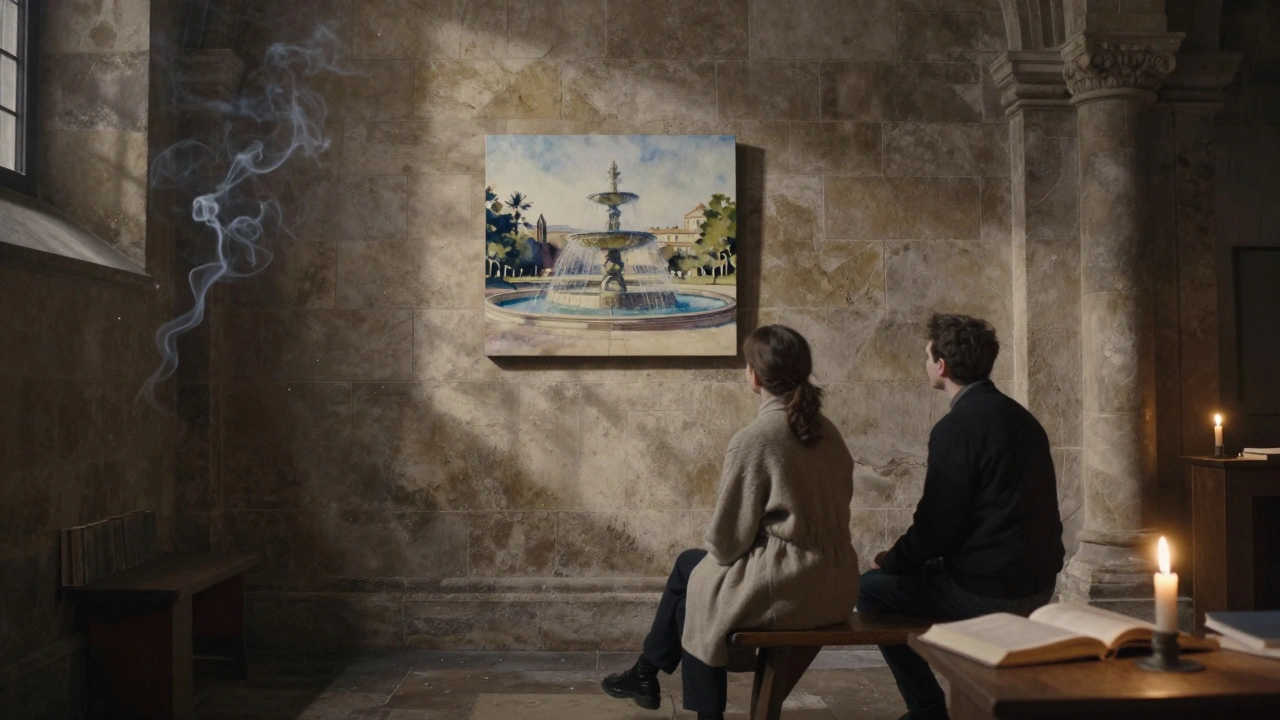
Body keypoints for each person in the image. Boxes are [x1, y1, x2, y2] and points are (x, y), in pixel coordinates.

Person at [600, 325, 861, 720]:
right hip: (836, 582)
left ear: (753, 375)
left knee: (698, 592)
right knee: (691, 573)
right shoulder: (829, 431)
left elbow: (726, 543)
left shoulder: (756, 438)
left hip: (791, 583)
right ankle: (644, 673)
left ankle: (669, 689)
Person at [857, 314, 1065, 720]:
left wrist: (892, 560)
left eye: (927, 357)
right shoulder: (1023, 419)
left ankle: (927, 710)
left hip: (988, 590)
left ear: (942, 365)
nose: (926, 364)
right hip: (1039, 583)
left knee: (869, 589)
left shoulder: (956, 427)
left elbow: (936, 526)